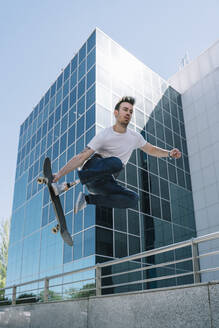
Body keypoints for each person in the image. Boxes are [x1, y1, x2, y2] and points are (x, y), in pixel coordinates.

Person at [53, 96, 181, 214]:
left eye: (130, 112)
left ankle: (87, 200)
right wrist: (59, 174)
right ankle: (66, 185)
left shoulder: (135, 137)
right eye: (125, 110)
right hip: (93, 168)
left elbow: (152, 150)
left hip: (104, 181)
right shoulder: (105, 135)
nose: (128, 113)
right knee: (116, 163)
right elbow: (81, 157)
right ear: (116, 113)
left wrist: (169, 153)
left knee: (133, 198)